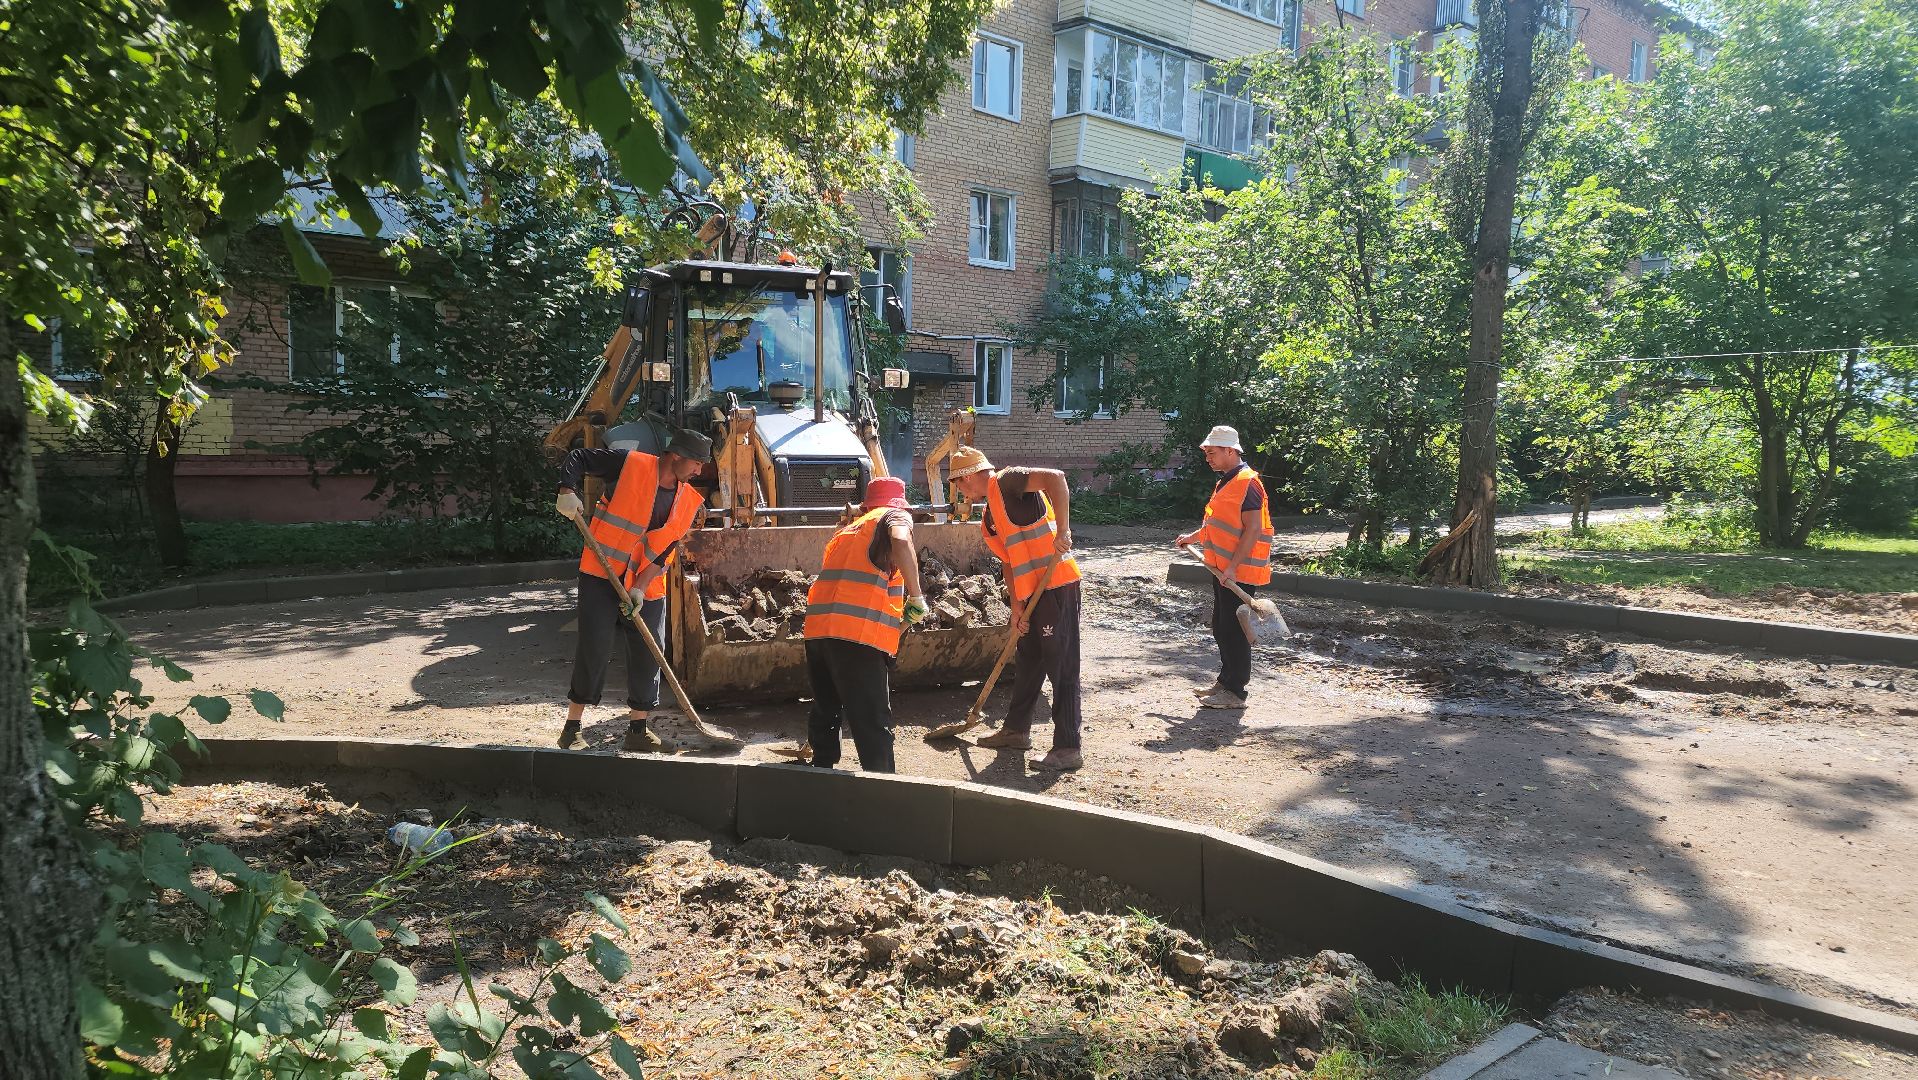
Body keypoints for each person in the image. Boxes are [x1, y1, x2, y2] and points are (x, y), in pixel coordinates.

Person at [554, 429, 712, 751]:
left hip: (647, 584)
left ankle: (638, 731)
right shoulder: (630, 464)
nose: (699, 472)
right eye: (696, 463)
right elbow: (578, 457)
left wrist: (639, 588)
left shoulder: (688, 501)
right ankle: (571, 729)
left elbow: (665, 550)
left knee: (648, 652)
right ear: (677, 455)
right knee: (594, 646)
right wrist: (566, 489)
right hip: (602, 572)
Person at [945, 447, 1084, 772]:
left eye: (957, 483)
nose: (960, 490)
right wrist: (1016, 607)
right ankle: (1016, 731)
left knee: (1061, 667)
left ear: (966, 476)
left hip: (1057, 585)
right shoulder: (989, 517)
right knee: (1029, 662)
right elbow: (1009, 561)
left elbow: (1057, 479)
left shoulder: (1007, 481)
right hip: (1031, 595)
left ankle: (1068, 747)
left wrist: (1063, 531)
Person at [801, 476, 927, 772]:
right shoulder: (893, 516)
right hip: (857, 636)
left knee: (826, 709)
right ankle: (882, 786)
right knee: (871, 719)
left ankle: (820, 774)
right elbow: (900, 538)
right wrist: (917, 595)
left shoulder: (847, 531)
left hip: (818, 632)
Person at [1174, 425, 1273, 710]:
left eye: (1212, 452)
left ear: (1231, 450)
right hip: (1223, 569)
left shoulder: (1248, 482)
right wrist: (1192, 538)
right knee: (1221, 625)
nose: (1208, 457)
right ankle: (1225, 681)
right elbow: (1216, 525)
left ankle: (1236, 691)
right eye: (1206, 453)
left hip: (1238, 572)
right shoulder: (1226, 481)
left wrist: (1233, 567)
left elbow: (1253, 530)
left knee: (1234, 629)